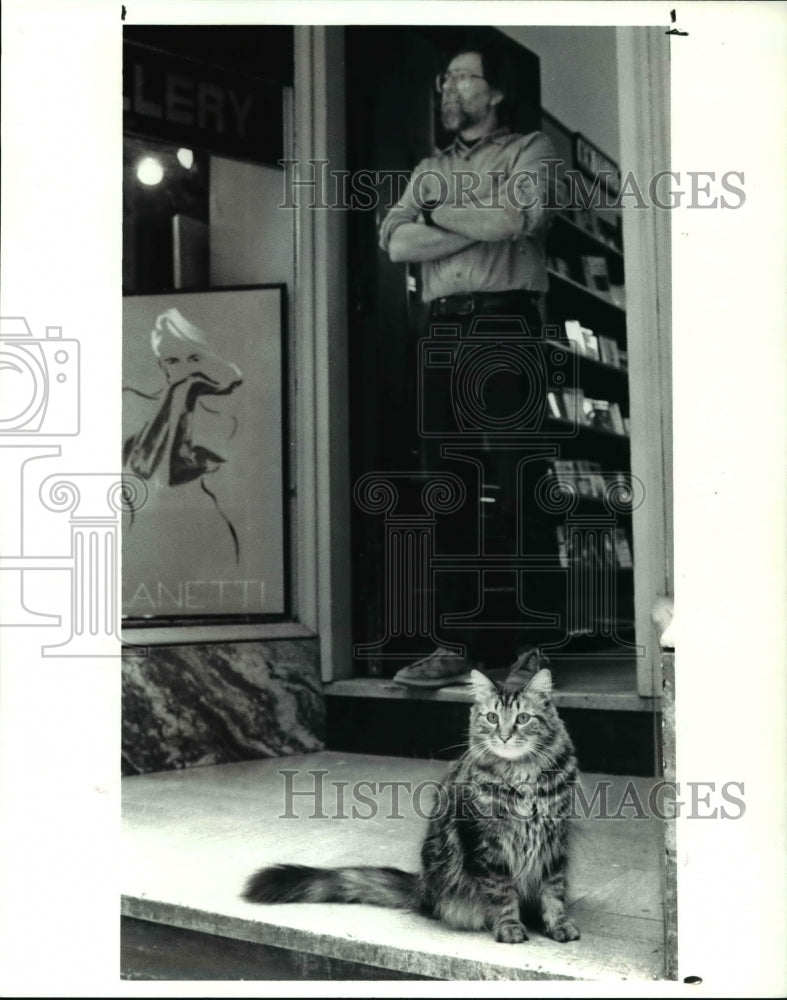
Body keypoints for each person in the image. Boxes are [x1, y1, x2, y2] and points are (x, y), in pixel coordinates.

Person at [378, 46, 556, 687]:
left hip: (507, 321)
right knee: (445, 488)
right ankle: (456, 647)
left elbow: (517, 218)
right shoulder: (428, 167)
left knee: (514, 485)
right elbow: (396, 240)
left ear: (496, 92)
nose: (447, 87)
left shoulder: (531, 151)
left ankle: (516, 651)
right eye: (443, 76)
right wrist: (475, 224)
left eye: (461, 76)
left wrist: (436, 213)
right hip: (441, 325)